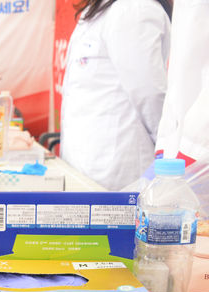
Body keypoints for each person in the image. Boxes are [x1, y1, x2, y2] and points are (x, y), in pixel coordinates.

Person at [60, 0, 171, 191]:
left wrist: (167, 148)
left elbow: (149, 94)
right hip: (87, 166)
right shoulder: (100, 10)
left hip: (118, 169)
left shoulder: (135, 9)